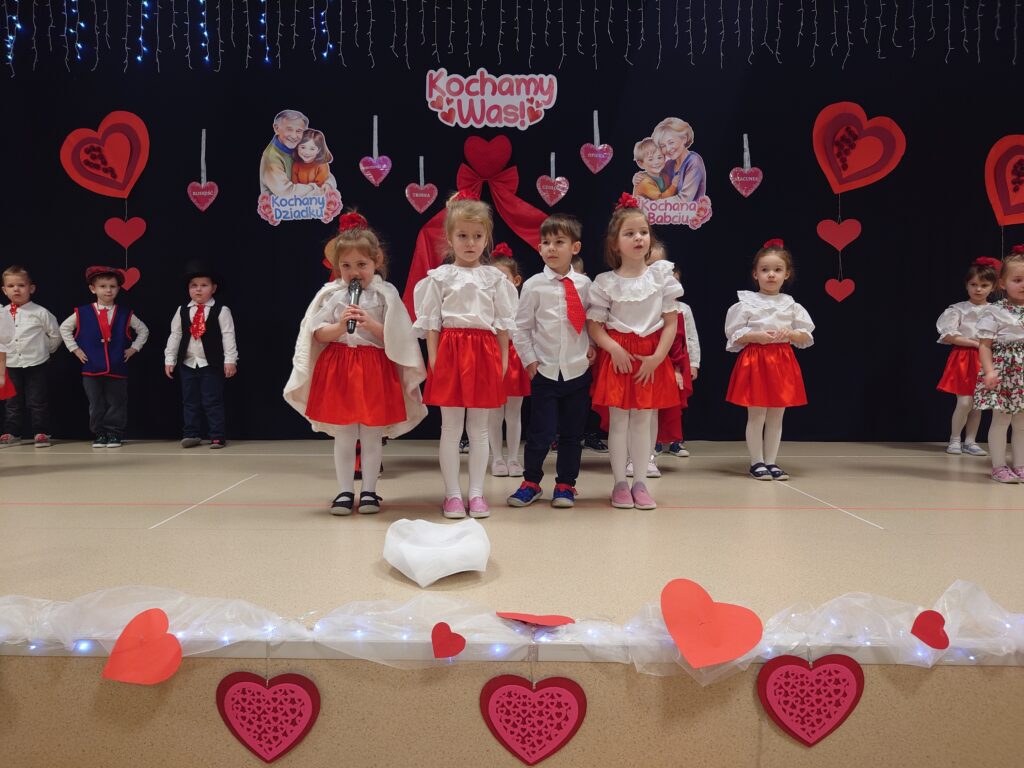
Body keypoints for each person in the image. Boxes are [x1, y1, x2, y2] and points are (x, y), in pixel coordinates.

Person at [284, 212, 426, 513]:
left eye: (361, 264)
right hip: (340, 367)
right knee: (345, 435)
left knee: (372, 435)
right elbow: (316, 333)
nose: (354, 272)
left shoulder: (385, 294)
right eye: (346, 266)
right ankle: (345, 491)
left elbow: (399, 338)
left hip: (374, 368)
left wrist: (372, 325)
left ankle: (370, 491)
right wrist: (339, 326)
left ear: (376, 262)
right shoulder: (332, 295)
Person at [412, 197, 518, 519]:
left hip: (484, 353)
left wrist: (502, 361)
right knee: (451, 427)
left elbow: (502, 325)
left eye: (477, 236)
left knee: (480, 428)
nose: (470, 243)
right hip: (451, 352)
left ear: (486, 238)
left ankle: (476, 494)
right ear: (450, 237)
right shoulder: (440, 277)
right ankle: (453, 495)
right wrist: (435, 359)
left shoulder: (495, 279)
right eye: (462, 236)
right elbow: (432, 323)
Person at [587, 194, 683, 510]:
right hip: (619, 356)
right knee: (619, 421)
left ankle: (640, 482)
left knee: (643, 420)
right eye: (629, 233)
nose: (638, 238)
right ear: (615, 244)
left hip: (650, 356)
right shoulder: (605, 282)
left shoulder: (661, 276)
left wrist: (658, 358)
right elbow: (594, 326)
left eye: (643, 232)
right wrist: (613, 348)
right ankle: (619, 483)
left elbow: (671, 322)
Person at [507, 214, 594, 508]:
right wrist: (530, 361)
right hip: (545, 371)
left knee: (572, 434)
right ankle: (531, 482)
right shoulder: (534, 285)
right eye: (546, 242)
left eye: (559, 242)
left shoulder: (585, 285)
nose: (551, 248)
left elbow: (593, 321)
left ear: (575, 247)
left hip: (577, 370)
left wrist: (593, 347)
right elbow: (521, 328)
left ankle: (566, 485)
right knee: (540, 433)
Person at [724, 239, 814, 480]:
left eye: (777, 270)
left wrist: (791, 333)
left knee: (776, 415)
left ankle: (772, 462)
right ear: (755, 274)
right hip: (756, 360)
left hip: (782, 361)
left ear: (787, 274)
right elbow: (734, 335)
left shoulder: (791, 305)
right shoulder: (746, 303)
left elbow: (806, 335)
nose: (771, 275)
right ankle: (757, 462)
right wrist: (755, 336)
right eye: (765, 270)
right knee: (757, 415)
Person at [59, 266, 150, 447]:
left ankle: (114, 433)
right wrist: (75, 349)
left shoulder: (125, 313)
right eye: (103, 286)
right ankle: (100, 434)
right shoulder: (82, 312)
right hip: (91, 367)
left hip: (117, 367)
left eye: (112, 286)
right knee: (96, 404)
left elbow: (143, 330)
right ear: (93, 289)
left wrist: (134, 348)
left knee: (117, 403)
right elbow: (64, 328)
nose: (108, 290)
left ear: (118, 288)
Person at [163, 262, 239, 449]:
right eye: (194, 286)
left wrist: (230, 360)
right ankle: (191, 434)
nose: (198, 289)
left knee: (212, 400)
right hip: (188, 362)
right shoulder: (182, 310)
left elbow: (228, 335)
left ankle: (217, 435)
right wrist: (170, 359)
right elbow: (175, 335)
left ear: (213, 288)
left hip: (210, 363)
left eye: (204, 285)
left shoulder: (221, 310)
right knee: (190, 401)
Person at [936, 257, 999, 456]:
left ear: (993, 287)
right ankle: (955, 439)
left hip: (986, 359)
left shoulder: (996, 311)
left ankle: (970, 441)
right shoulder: (959, 309)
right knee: (965, 402)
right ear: (967, 285)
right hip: (964, 357)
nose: (978, 289)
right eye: (974, 284)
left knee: (978, 404)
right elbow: (949, 335)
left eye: (984, 285)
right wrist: (976, 343)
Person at [974, 246, 1024, 483]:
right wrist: (989, 370)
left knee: (1022, 422)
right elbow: (984, 345)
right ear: (1002, 283)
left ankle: (1020, 464)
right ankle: (998, 466)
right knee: (1002, 420)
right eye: (1017, 280)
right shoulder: (995, 311)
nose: (1023, 285)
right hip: (1004, 372)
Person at [0, 266, 61, 447]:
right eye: (11, 286)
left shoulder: (40, 312)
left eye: (21, 285)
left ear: (31, 288)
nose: (16, 289)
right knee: (12, 401)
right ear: (4, 290)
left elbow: (56, 334)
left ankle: (41, 432)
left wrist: (45, 351)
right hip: (11, 363)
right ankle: (12, 432)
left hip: (36, 363)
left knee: (37, 400)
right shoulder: (2, 314)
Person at [488, 243, 529, 478]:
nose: (499, 284)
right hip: (492, 356)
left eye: (504, 279)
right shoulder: (486, 303)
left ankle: (513, 458)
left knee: (514, 412)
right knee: (494, 413)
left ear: (516, 280)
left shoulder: (522, 304)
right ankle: (497, 458)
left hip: (515, 357)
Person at [259, 109, 337, 197]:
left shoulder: (299, 148)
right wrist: (316, 189)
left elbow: (323, 173)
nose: (294, 136)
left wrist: (328, 184)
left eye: (299, 131)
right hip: (281, 204)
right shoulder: (271, 158)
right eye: (289, 129)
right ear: (276, 128)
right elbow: (286, 191)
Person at [653, 117, 706, 202]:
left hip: (691, 210)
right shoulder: (669, 164)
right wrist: (642, 178)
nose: (668, 149)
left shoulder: (694, 161)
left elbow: (685, 199)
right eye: (663, 146)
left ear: (684, 139)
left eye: (671, 142)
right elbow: (657, 184)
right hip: (667, 210)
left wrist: (654, 204)